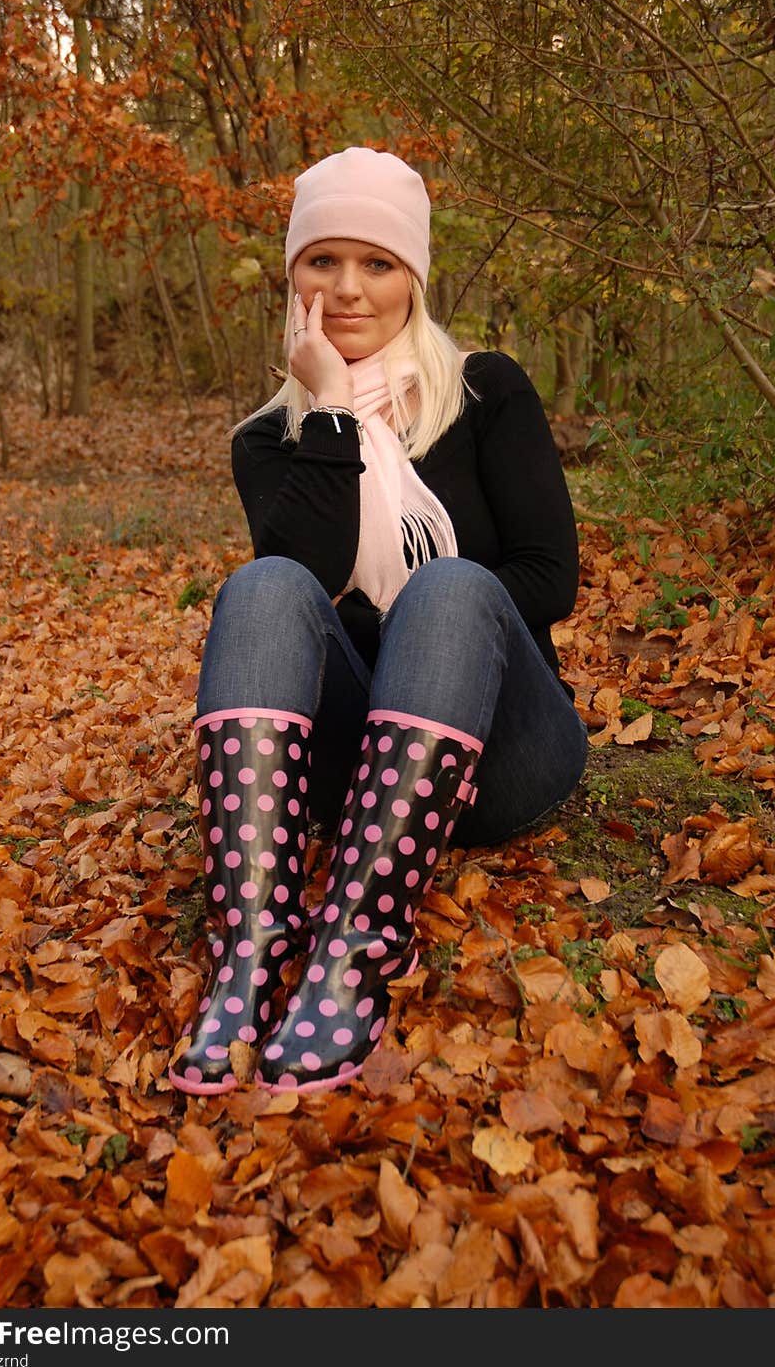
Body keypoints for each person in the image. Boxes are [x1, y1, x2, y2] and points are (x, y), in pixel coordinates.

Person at [168, 146, 588, 1098]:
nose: (350, 289)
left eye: (378, 263)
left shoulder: (486, 392)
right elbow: (306, 576)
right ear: (293, 278)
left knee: (448, 590)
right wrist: (327, 412)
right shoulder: (267, 442)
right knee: (263, 585)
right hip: (355, 771)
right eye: (323, 260)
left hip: (503, 745)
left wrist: (425, 623)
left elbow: (549, 578)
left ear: (415, 278)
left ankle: (357, 944)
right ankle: (255, 949)